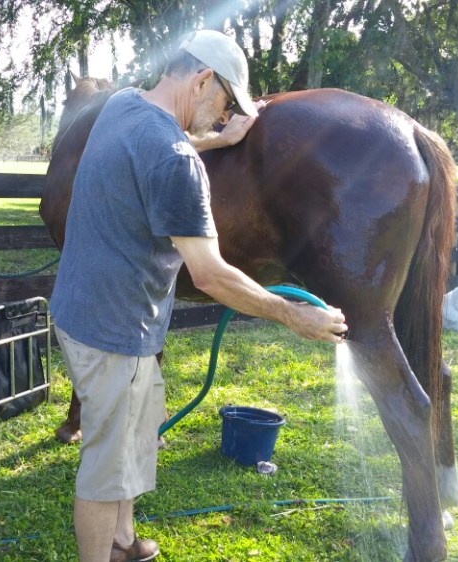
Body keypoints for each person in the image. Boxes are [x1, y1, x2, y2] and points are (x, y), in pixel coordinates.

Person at [50, 29, 348, 562]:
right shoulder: (174, 160)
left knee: (136, 438)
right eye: (226, 101)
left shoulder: (122, 107)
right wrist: (291, 314)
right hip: (112, 327)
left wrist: (218, 140)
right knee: (106, 463)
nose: (223, 113)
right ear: (203, 79)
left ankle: (123, 541)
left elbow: (159, 146)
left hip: (85, 308)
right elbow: (209, 274)